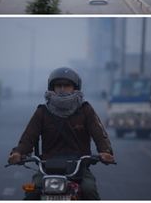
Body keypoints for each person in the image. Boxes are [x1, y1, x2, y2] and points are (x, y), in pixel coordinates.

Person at [8, 67, 115, 200]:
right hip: (47, 167)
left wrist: (105, 152)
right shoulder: (42, 111)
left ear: (75, 88)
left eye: (67, 85)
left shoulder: (85, 110)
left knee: (89, 190)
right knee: (32, 192)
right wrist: (18, 152)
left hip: (78, 168)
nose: (62, 89)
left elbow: (99, 134)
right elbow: (29, 137)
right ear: (52, 88)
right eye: (59, 85)